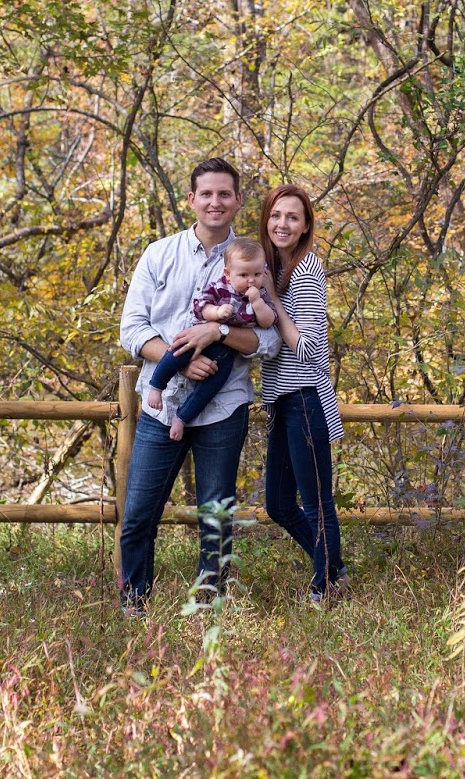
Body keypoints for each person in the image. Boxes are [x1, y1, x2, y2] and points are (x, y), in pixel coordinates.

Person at [117, 158, 281, 612]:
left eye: (224, 193)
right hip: (162, 404)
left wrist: (219, 332)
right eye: (206, 193)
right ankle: (134, 603)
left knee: (215, 516)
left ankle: (208, 606)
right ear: (191, 199)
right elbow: (132, 329)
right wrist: (183, 360)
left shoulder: (253, 263)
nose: (215, 202)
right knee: (138, 514)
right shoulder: (158, 254)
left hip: (223, 407)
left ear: (238, 201)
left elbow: (269, 341)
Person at [258, 184, 347, 604]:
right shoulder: (271, 266)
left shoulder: (306, 269)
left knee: (316, 502)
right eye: (276, 215)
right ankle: (333, 567)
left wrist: (274, 301)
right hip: (282, 399)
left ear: (306, 225)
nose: (283, 224)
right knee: (278, 503)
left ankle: (323, 586)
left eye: (293, 217)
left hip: (306, 398)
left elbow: (309, 347)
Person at [146, 238, 277, 440]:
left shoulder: (261, 294)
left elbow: (268, 323)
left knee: (214, 384)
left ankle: (182, 418)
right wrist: (216, 312)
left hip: (226, 352)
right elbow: (201, 306)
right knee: (175, 353)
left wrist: (258, 303)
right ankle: (156, 387)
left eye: (257, 275)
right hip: (197, 339)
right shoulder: (220, 287)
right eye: (244, 275)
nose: (251, 281)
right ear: (228, 273)